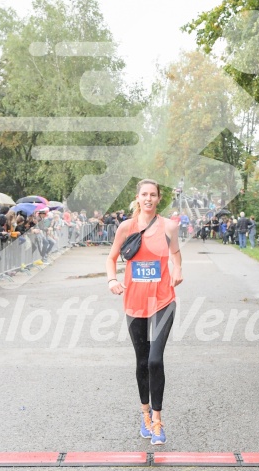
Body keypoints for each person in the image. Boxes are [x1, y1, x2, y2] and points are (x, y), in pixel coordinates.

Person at [106, 179, 183, 445]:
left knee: (154, 360)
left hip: (163, 300)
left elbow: (176, 254)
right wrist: (112, 279)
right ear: (137, 198)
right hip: (135, 301)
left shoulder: (169, 227)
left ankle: (159, 421)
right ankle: (145, 415)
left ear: (159, 198)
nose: (148, 198)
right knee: (141, 360)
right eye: (144, 194)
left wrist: (178, 270)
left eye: (153, 194)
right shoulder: (126, 227)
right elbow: (111, 257)